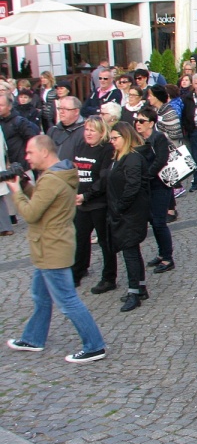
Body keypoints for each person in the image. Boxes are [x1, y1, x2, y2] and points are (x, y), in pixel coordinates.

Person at [5, 135, 107, 363]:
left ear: (44, 152)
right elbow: (44, 200)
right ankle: (33, 338)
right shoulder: (56, 174)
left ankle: (95, 345)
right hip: (49, 247)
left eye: (30, 152)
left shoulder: (52, 179)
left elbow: (31, 213)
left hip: (53, 249)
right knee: (41, 296)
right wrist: (25, 184)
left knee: (68, 301)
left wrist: (16, 192)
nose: (26, 157)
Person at [102, 122, 152, 312]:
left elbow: (133, 186)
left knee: (130, 251)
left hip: (130, 213)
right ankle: (139, 287)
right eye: (111, 139)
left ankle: (134, 291)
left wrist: (120, 206)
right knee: (131, 250)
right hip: (124, 211)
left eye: (116, 138)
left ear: (126, 137)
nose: (112, 142)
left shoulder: (132, 159)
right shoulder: (119, 157)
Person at [72, 116, 117, 293]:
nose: (88, 133)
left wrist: (87, 195)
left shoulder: (106, 150)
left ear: (101, 132)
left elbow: (104, 178)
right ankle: (78, 271)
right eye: (86, 129)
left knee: (105, 242)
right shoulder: (81, 146)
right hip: (81, 202)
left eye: (92, 130)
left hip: (99, 203)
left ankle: (109, 277)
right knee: (80, 238)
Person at [135, 107, 176, 274]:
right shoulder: (138, 139)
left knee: (159, 222)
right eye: (137, 121)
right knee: (153, 221)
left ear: (151, 123)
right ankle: (161, 253)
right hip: (147, 186)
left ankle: (168, 257)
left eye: (141, 121)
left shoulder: (158, 138)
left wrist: (145, 175)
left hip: (159, 185)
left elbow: (161, 160)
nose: (138, 124)